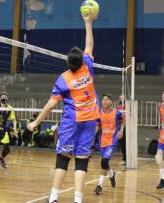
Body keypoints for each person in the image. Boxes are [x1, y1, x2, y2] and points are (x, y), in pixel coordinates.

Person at [27, 11, 99, 203]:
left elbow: (51, 104)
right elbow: (89, 45)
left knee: (63, 158)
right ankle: (77, 200)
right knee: (82, 160)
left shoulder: (64, 79)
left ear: (68, 63)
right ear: (81, 61)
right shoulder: (88, 67)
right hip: (90, 120)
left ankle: (53, 198)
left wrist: (36, 122)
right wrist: (88, 23)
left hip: (71, 122)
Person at [94, 94, 124, 195]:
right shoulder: (99, 113)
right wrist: (92, 136)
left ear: (111, 101)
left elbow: (123, 121)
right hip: (102, 140)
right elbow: (98, 125)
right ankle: (112, 174)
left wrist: (121, 130)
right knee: (105, 163)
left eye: (107, 99)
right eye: (103, 100)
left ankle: (99, 186)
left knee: (104, 161)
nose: (105, 101)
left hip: (112, 140)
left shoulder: (117, 112)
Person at [116, 96, 126, 164]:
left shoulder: (127, 105)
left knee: (125, 142)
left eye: (122, 97)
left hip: (126, 125)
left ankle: (127, 158)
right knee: (122, 142)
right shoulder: (118, 106)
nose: (120, 98)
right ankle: (125, 158)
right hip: (121, 125)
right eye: (120, 97)